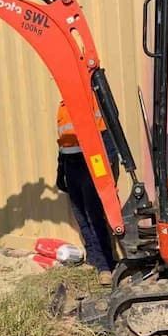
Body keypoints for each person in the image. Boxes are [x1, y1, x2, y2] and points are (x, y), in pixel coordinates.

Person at [55, 100, 119, 285]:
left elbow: (106, 134)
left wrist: (108, 170)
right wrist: (60, 172)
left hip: (90, 164)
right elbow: (62, 143)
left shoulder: (89, 98)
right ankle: (94, 259)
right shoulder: (62, 105)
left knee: (94, 217)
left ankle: (105, 266)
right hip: (70, 165)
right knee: (81, 217)